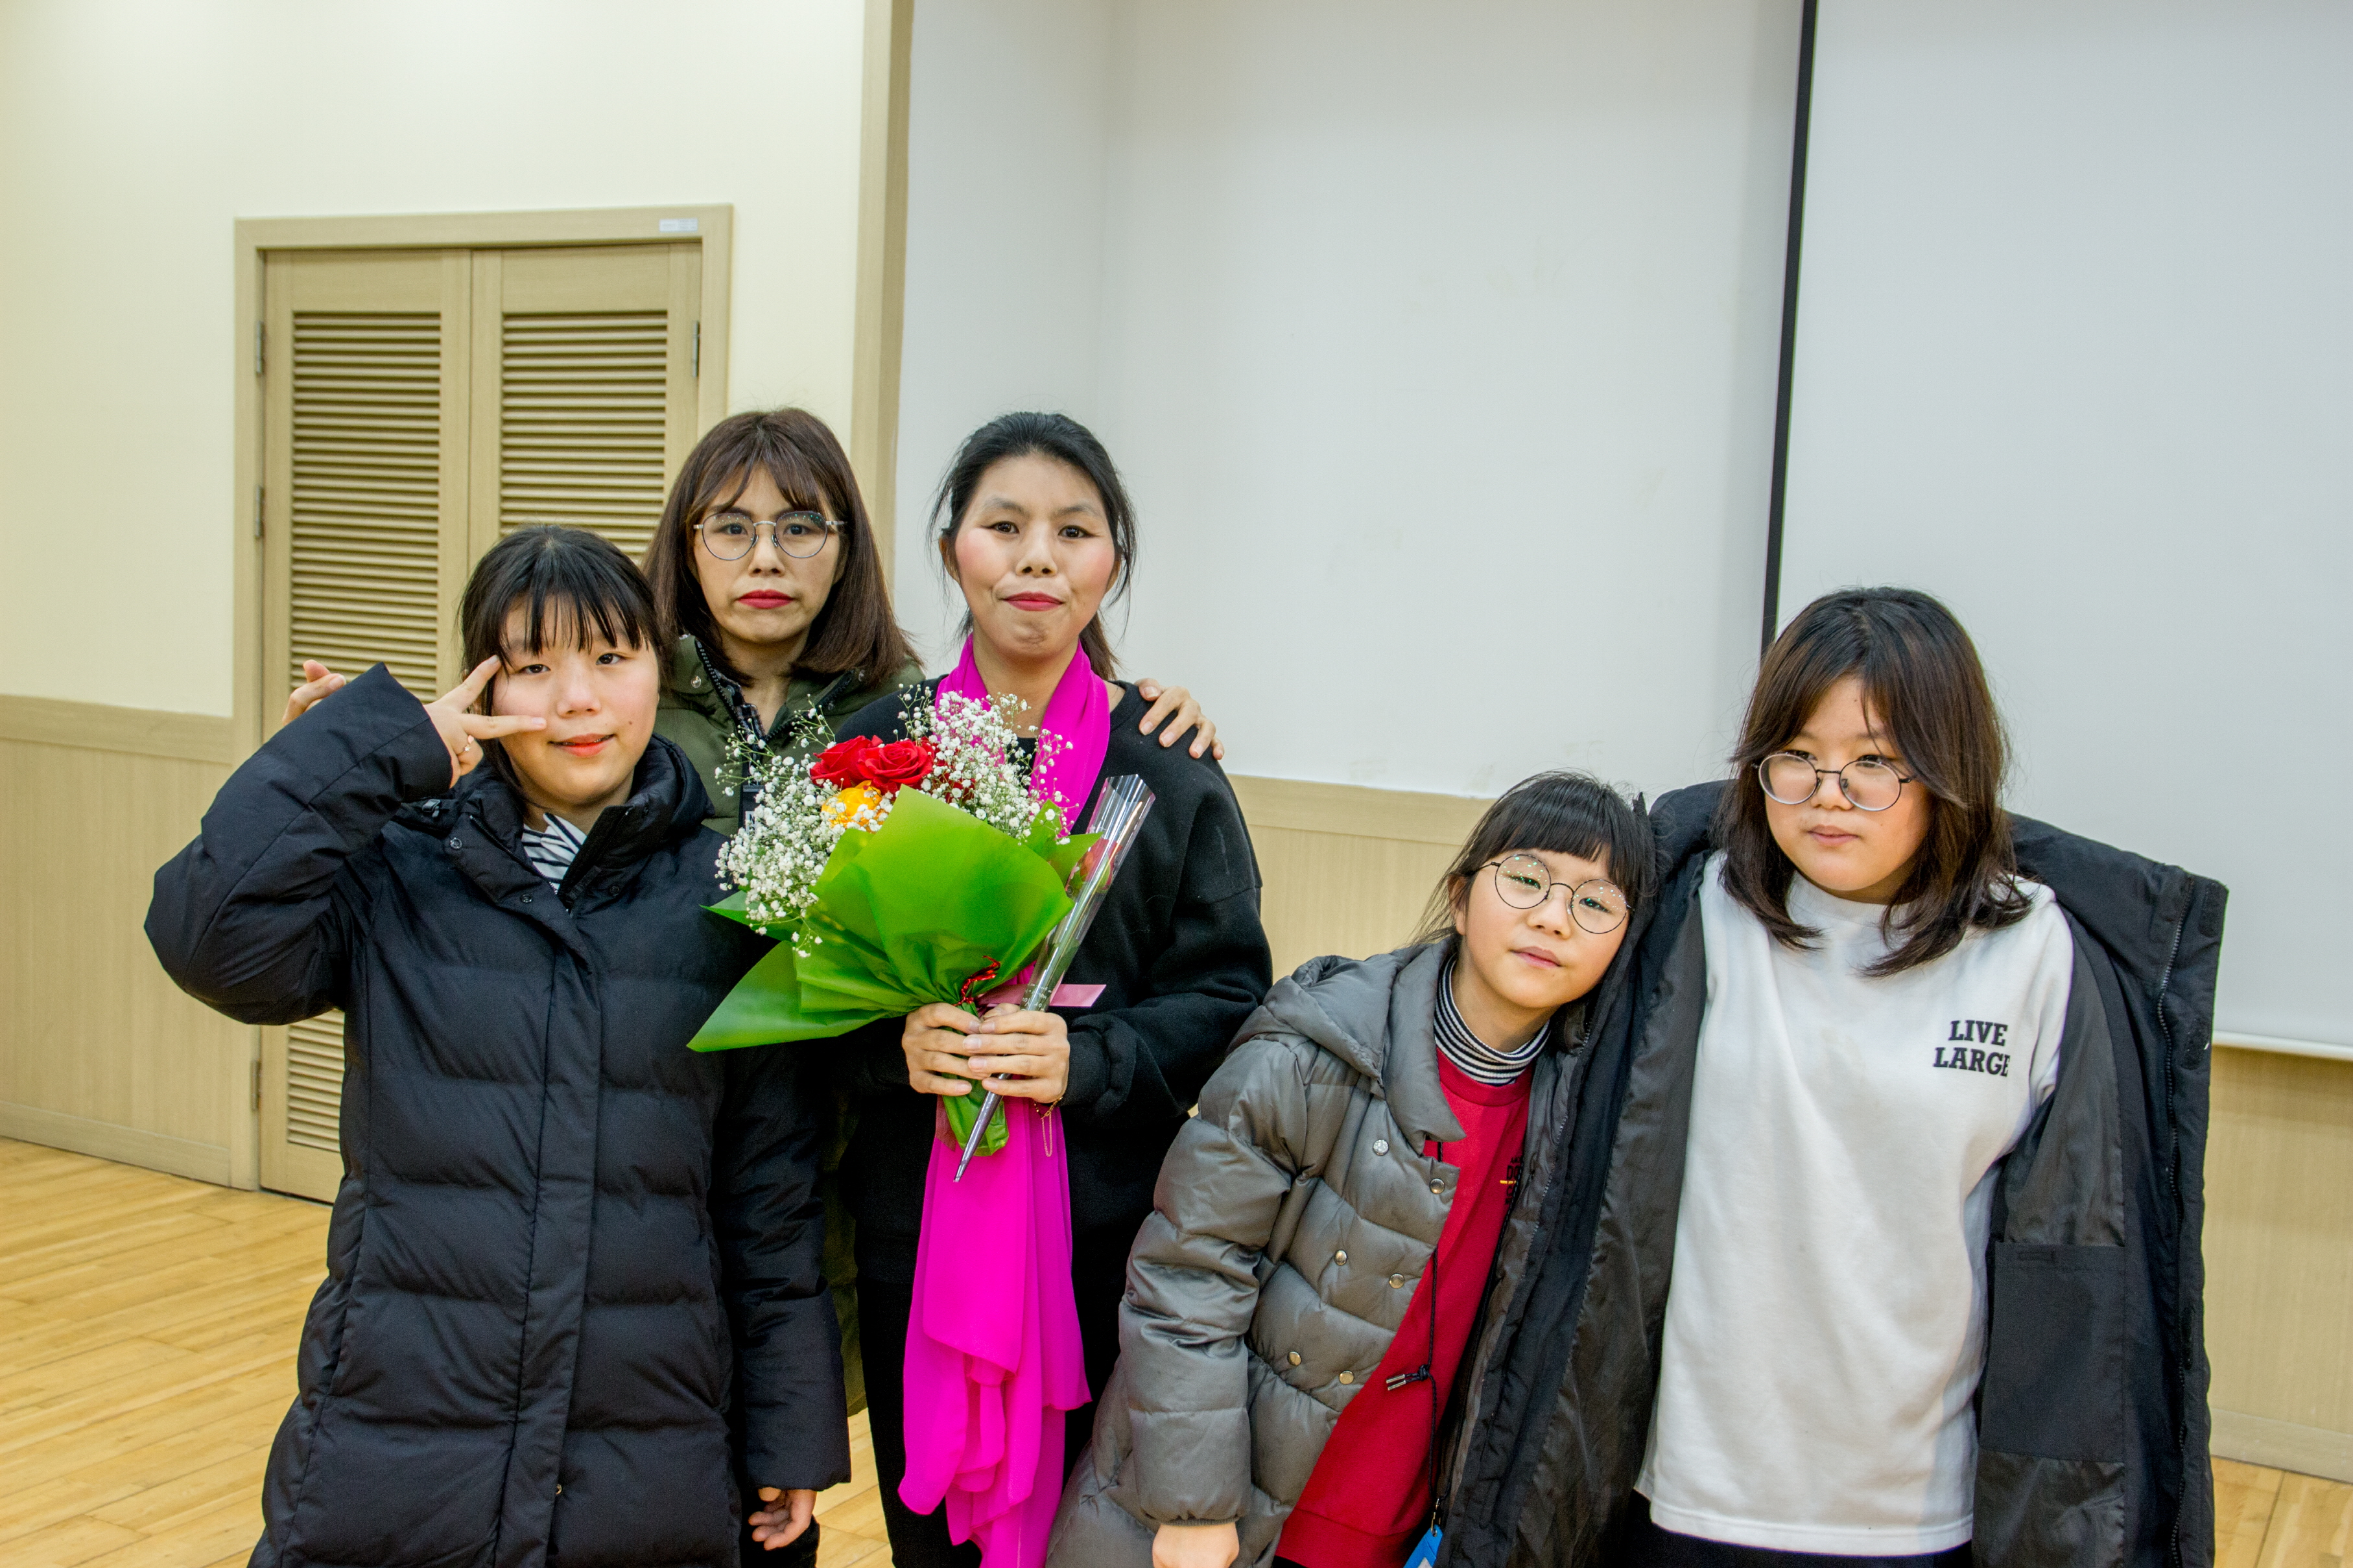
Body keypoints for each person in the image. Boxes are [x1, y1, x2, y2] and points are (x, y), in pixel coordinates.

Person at [1436, 588, 2225, 1568]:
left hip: (1912, 1507)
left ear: (1949, 767)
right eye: (1796, 757)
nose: (1827, 794)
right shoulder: (1692, 907)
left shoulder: (2036, 952)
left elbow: (2079, 1284)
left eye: (1874, 764)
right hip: (1680, 1485)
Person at [148, 526, 848, 1568]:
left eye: (611, 657)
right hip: (396, 1431)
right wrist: (357, 759)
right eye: (534, 665)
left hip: (645, 1444)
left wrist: (790, 1428)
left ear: (659, 670)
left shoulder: (730, 892)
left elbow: (769, 1194)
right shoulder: (400, 862)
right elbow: (205, 938)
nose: (579, 698)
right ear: (479, 685)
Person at [832, 410, 1276, 1567]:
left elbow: (1230, 997)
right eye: (1004, 525)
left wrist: (1091, 1057)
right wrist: (892, 1044)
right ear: (952, 548)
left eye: (1073, 531)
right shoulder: (873, 753)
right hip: (914, 1234)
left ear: (1110, 563)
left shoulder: (1168, 766)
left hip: (1100, 1240)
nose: (1037, 556)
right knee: (927, 1536)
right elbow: (808, 991)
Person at [1048, 771, 1655, 1568]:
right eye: (1526, 878)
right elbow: (1185, 1273)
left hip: (1401, 1533)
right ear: (1461, 895)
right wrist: (1195, 1506)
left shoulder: (1581, 1116)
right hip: (1224, 1519)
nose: (1552, 916)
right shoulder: (1312, 1050)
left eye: (1594, 902)